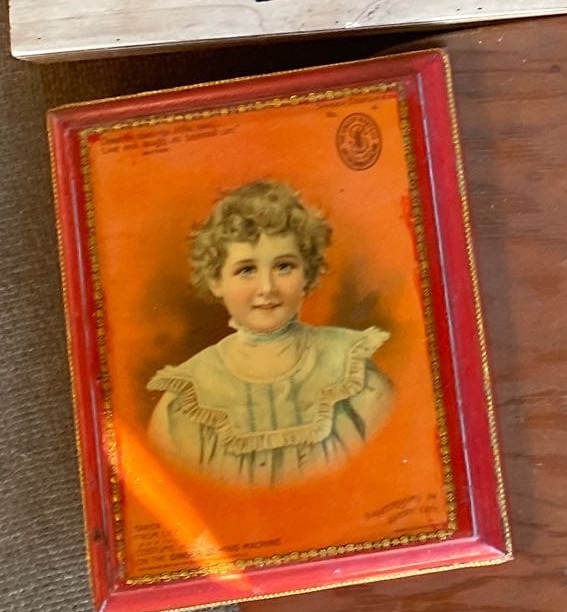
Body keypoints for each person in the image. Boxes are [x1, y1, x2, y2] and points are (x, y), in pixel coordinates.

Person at [147, 179, 395, 488]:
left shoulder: (350, 373)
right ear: (216, 280)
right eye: (246, 270)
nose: (267, 287)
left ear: (307, 274)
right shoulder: (189, 400)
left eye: (284, 267)